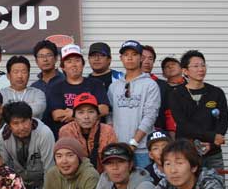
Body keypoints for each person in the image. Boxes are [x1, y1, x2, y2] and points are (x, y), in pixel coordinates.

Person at [169, 50, 228, 171]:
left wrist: (211, 144)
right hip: (187, 152)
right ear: (185, 71)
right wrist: (212, 136)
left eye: (203, 65)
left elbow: (223, 122)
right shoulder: (176, 94)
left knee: (216, 182)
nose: (201, 69)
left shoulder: (216, 93)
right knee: (189, 183)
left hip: (213, 152)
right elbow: (183, 124)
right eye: (196, 66)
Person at [107, 40, 161, 168]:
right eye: (126, 55)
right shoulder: (114, 86)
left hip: (142, 149)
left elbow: (150, 116)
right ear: (121, 58)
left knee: (144, 179)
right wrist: (113, 141)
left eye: (134, 54)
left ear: (141, 58)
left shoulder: (150, 85)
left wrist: (134, 143)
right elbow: (109, 115)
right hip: (119, 148)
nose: (130, 58)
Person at [48, 44, 110, 137]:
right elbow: (56, 115)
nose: (74, 64)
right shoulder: (56, 87)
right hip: (68, 136)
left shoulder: (96, 84)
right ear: (63, 67)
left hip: (96, 137)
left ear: (83, 64)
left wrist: (72, 114)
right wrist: (87, 114)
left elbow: (104, 109)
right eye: (69, 61)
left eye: (77, 60)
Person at [0, 101, 55, 189]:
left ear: (31, 120)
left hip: (41, 182)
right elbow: (3, 167)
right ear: (9, 125)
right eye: (16, 123)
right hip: (16, 183)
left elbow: (49, 170)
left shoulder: (45, 133)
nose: (22, 127)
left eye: (24, 121)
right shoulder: (3, 135)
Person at [58, 93, 118, 173]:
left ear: (97, 115)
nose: (86, 117)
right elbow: (66, 162)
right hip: (76, 175)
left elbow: (113, 160)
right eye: (81, 112)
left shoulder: (107, 131)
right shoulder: (66, 131)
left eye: (91, 112)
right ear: (74, 116)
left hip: (104, 176)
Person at [160, 56, 185, 135]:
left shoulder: (191, 86)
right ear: (163, 74)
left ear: (182, 69)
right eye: (167, 66)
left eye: (173, 64)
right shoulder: (160, 88)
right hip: (166, 132)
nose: (170, 67)